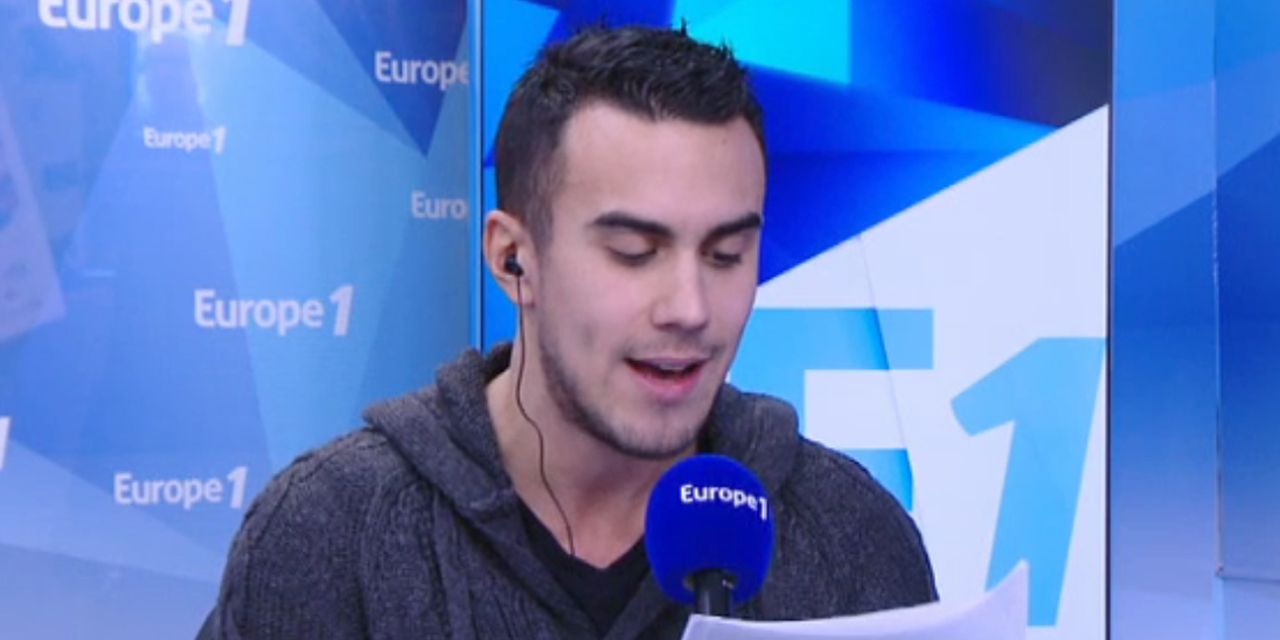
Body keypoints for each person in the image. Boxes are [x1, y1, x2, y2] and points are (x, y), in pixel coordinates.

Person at [199, 24, 936, 640]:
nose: (690, 307)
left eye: (725, 255)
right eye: (634, 252)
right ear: (512, 259)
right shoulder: (330, 534)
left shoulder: (849, 536)